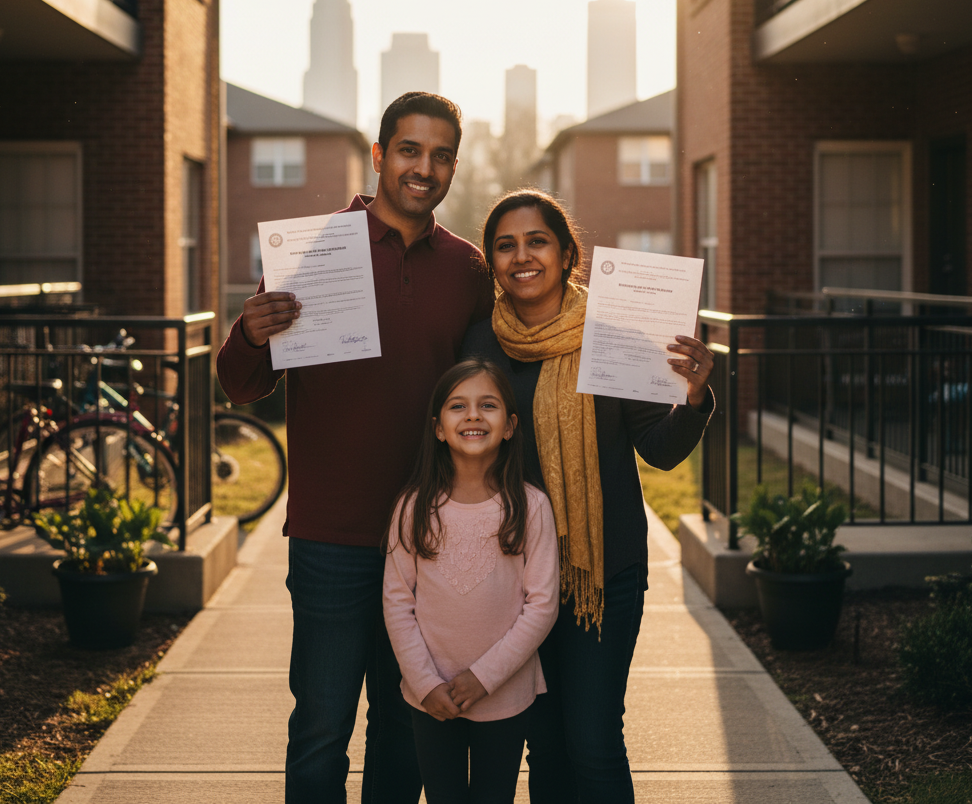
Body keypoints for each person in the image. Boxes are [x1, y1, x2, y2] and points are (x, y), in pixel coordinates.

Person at [216, 92, 494, 804]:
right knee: (319, 729)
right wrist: (251, 332)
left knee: (403, 731)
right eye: (409, 150)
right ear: (379, 156)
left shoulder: (467, 271)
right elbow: (241, 387)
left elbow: (483, 398)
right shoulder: (311, 251)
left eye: (440, 156)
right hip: (330, 536)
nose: (423, 168)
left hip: (426, 537)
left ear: (453, 166)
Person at [460, 188, 714, 804]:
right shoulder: (480, 344)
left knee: (593, 741)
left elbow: (657, 448)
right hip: (514, 574)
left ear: (569, 252)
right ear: (492, 262)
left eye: (537, 241)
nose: (522, 256)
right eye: (505, 245)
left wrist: (695, 397)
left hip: (605, 570)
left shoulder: (616, 331)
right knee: (544, 744)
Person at [383, 359, 560, 804]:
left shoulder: (531, 506)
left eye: (488, 405)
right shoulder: (413, 508)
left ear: (510, 426)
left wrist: (484, 678)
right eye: (458, 406)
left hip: (504, 694)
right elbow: (397, 602)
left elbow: (542, 606)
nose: (474, 416)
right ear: (439, 428)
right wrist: (424, 684)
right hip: (431, 697)